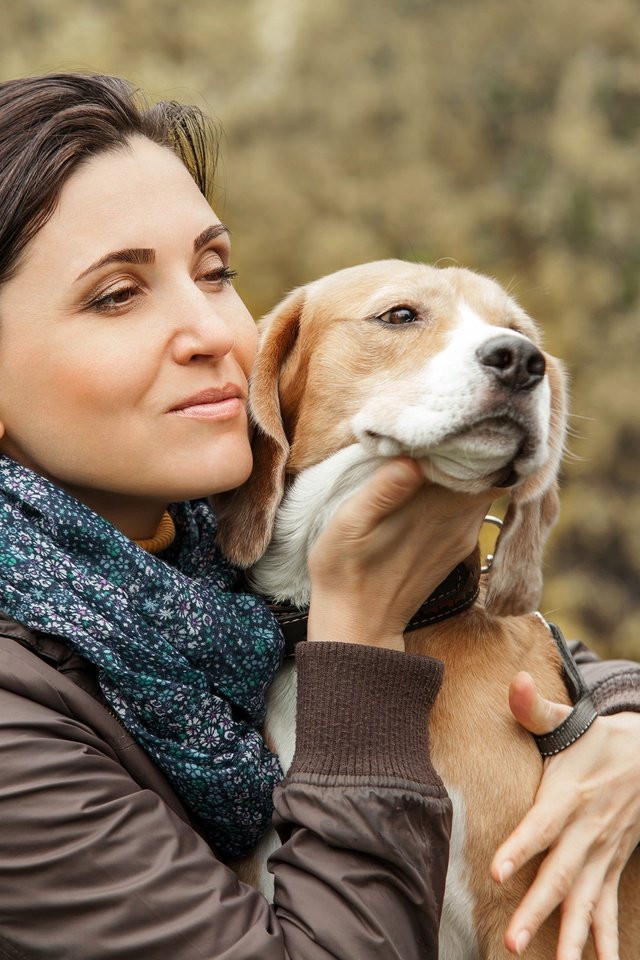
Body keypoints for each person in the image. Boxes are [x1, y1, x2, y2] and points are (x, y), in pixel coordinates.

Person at [0, 73, 637, 960]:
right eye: (116, 295)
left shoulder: (206, 563)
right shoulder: (18, 726)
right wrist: (359, 636)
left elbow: (543, 660)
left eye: (215, 271)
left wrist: (619, 724)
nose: (212, 331)